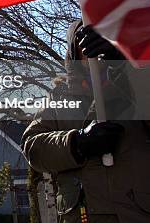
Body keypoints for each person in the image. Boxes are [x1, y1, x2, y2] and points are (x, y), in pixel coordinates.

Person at [22, 20, 150, 223]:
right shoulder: (59, 98)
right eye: (87, 40)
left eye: (104, 38)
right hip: (82, 215)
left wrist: (123, 66)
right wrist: (77, 143)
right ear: (74, 50)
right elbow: (33, 147)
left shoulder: (140, 86)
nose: (94, 48)